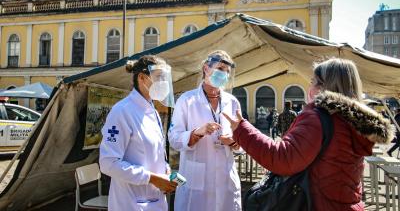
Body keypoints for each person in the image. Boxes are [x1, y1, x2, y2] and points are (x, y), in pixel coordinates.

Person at [223, 58, 393, 211]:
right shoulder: (355, 123)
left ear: (323, 87)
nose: (309, 87)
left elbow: (283, 158)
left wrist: (242, 129)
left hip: (316, 204)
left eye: (313, 82)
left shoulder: (318, 117)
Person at [99, 55, 177, 211]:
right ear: (142, 77)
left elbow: (152, 152)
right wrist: (151, 178)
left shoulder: (152, 111)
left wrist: (164, 168)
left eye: (164, 77)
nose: (163, 83)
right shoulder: (122, 111)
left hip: (155, 200)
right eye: (159, 77)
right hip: (130, 202)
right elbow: (108, 163)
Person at [168, 50, 242, 211]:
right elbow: (173, 139)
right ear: (206, 68)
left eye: (227, 72)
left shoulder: (232, 102)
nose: (224, 74)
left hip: (225, 180)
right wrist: (196, 133)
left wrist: (234, 142)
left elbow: (243, 140)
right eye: (220, 68)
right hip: (195, 183)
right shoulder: (186, 100)